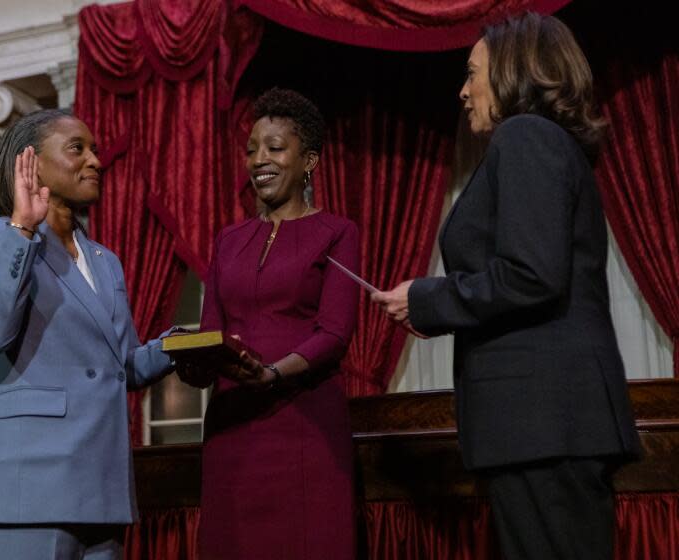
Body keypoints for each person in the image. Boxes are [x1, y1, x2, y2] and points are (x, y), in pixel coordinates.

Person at [372, 12, 642, 560]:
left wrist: (428, 299)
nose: (463, 90)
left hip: (545, 423)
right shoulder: (544, 143)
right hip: (546, 425)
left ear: (514, 71)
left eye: (472, 73)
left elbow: (530, 274)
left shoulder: (524, 136)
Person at [0, 109, 176, 560]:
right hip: (27, 491)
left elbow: (121, 365)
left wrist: (181, 345)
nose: (95, 160)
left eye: (94, 149)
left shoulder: (104, 259)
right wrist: (23, 227)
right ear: (30, 162)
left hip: (101, 490)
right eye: (78, 148)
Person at [179, 88, 360, 559]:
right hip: (232, 426)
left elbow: (335, 333)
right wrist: (192, 361)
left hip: (306, 424)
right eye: (252, 149)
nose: (260, 159)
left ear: (309, 161)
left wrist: (274, 372)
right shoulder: (228, 238)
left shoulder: (338, 232)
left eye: (275, 148)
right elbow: (212, 329)